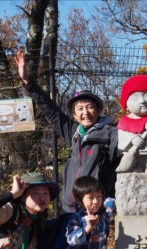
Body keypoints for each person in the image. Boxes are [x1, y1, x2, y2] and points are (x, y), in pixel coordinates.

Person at [15, 51, 119, 213]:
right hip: (68, 208)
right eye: (80, 108)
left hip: (93, 209)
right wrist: (28, 82)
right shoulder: (73, 132)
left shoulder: (110, 133)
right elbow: (51, 111)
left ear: (99, 110)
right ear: (74, 115)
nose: (86, 112)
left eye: (90, 107)